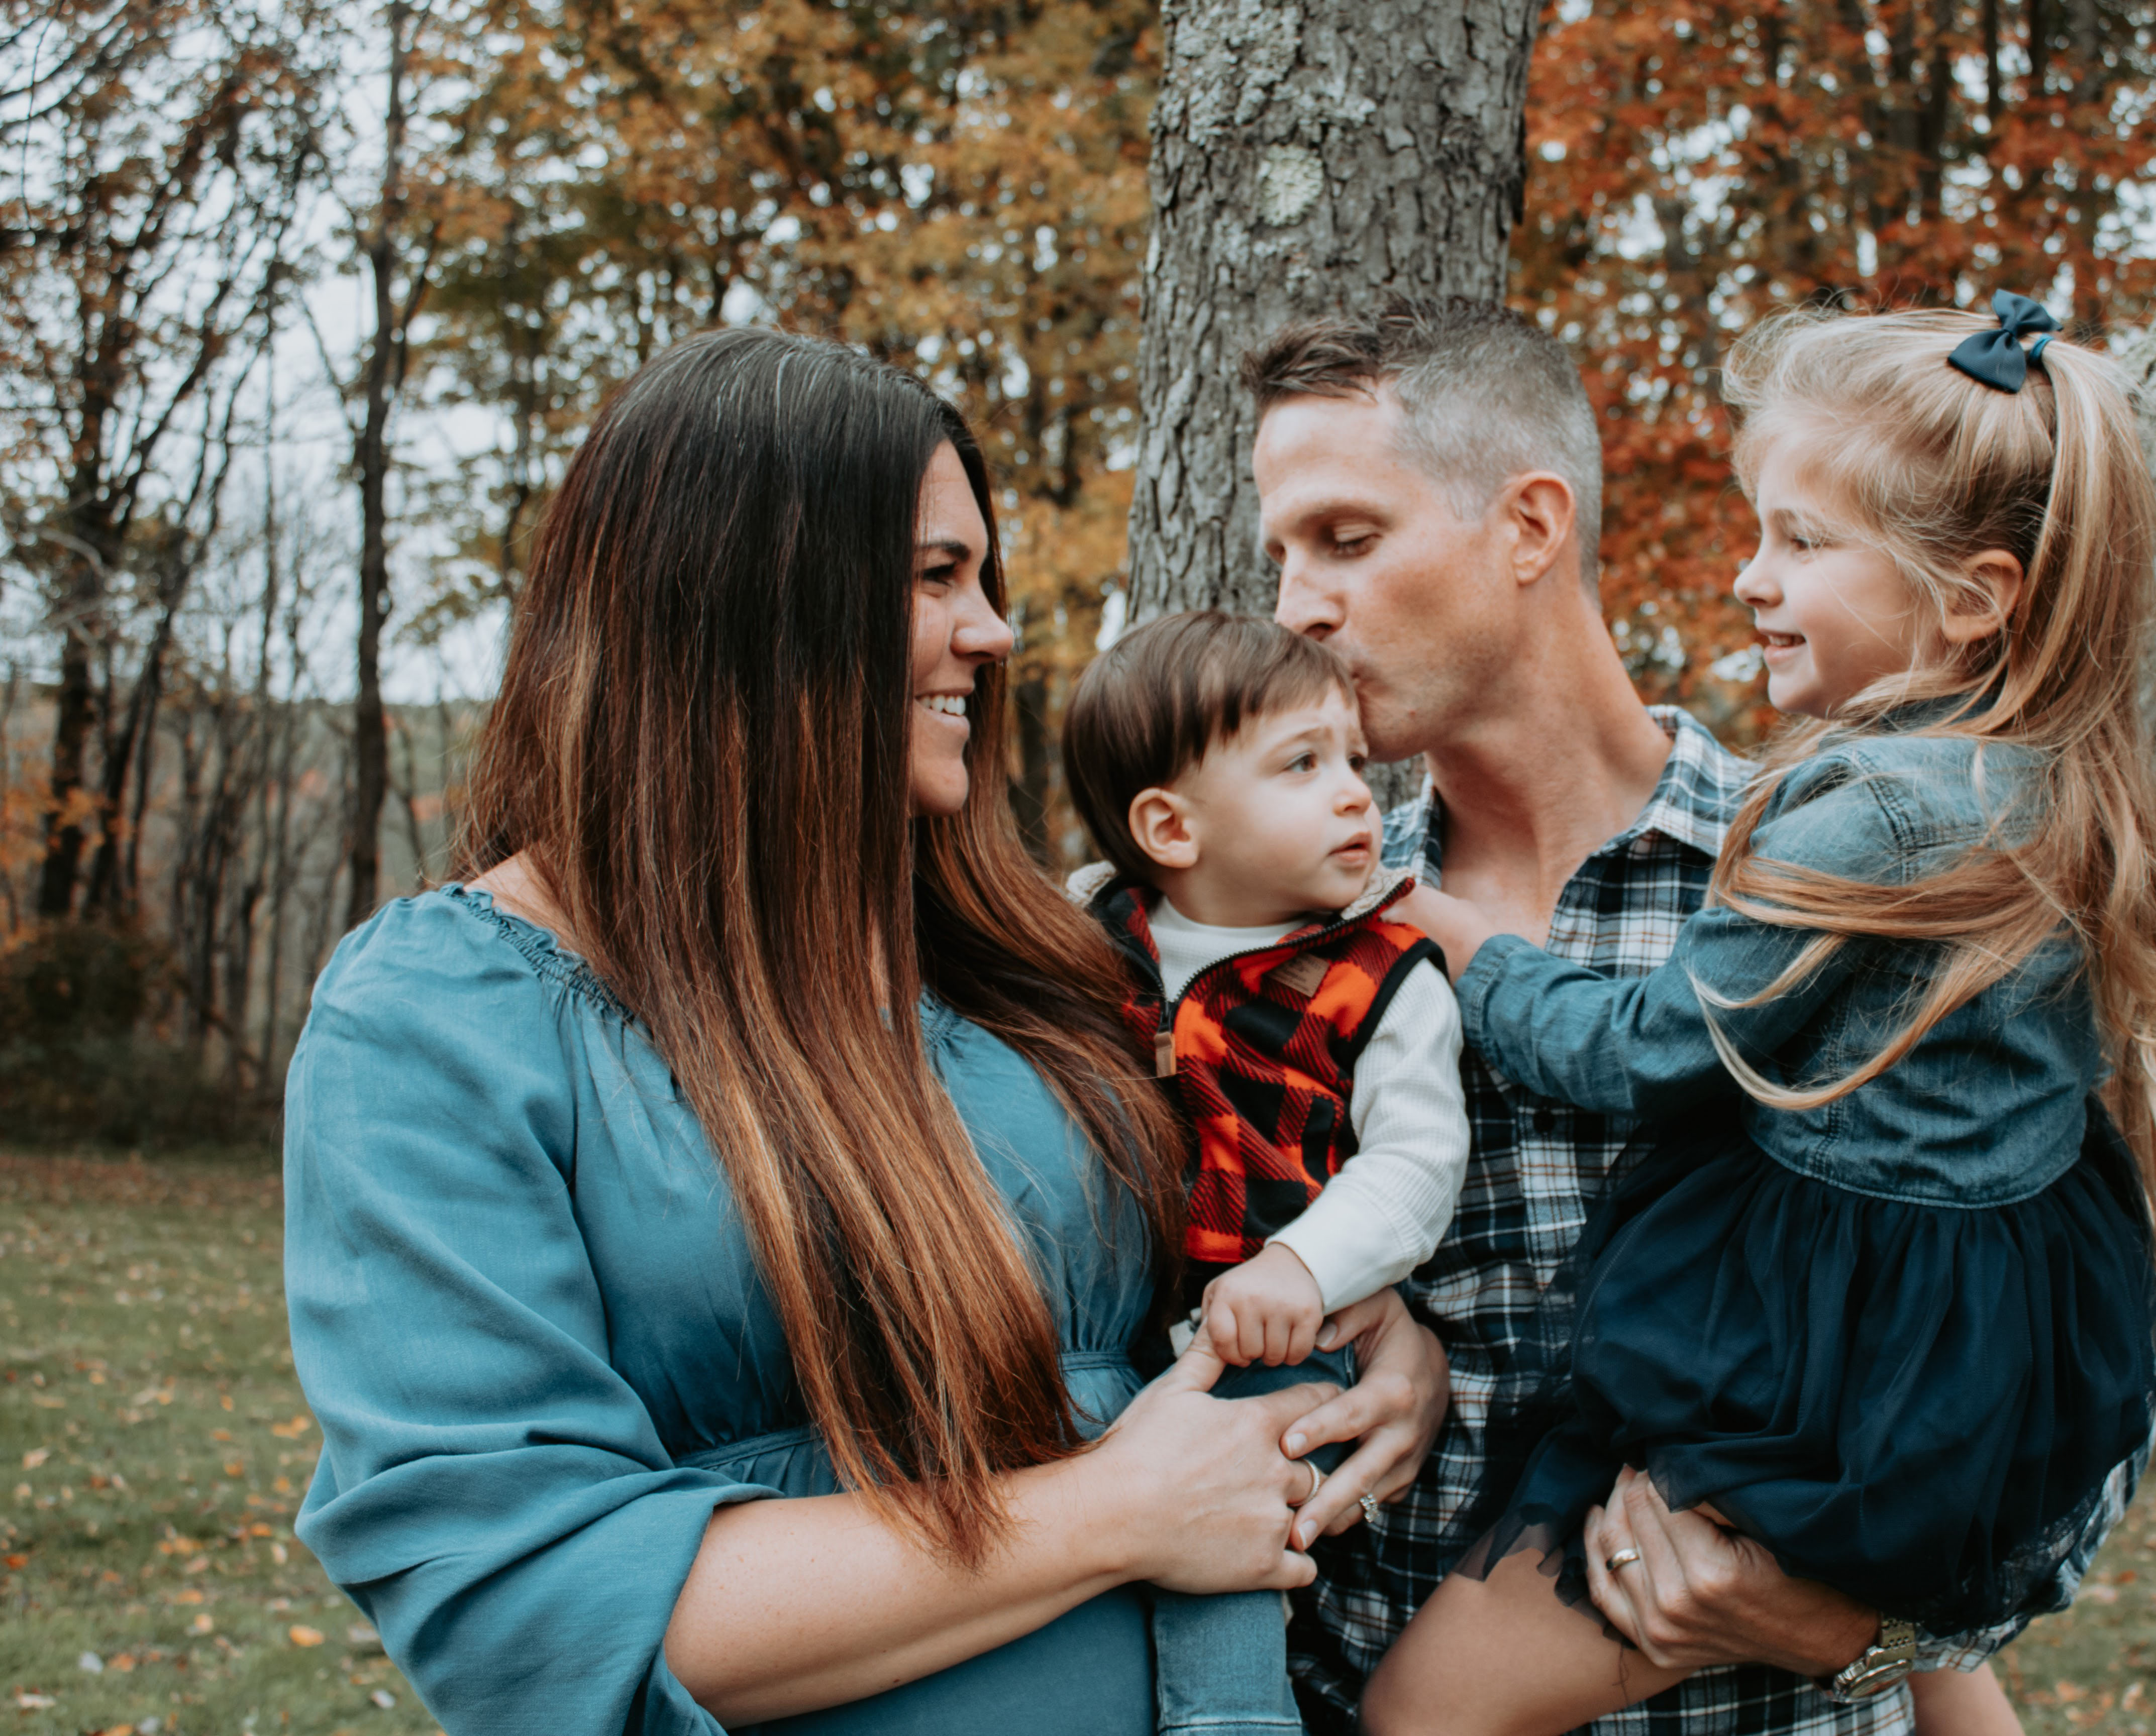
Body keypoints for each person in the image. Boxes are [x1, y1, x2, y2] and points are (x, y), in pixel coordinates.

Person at [281, 327, 1449, 1736]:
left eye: (984, 578)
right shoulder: (440, 1021)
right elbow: (524, 1610)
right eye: (933, 579)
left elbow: (1197, 1269)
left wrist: (1361, 1336)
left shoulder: (1029, 961)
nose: (994, 633)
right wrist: (1106, 1516)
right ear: (744, 604)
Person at [1360, 295, 2156, 1734]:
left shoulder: (1861, 812)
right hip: (1940, 1369)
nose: (1752, 578)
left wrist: (1464, 949)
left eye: (1803, 544)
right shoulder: (2041, 800)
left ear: (1974, 598)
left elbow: (1652, 1052)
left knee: (1427, 1709)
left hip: (1797, 1370)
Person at [1061, 608, 1473, 1730]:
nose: (1356, 793)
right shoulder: (1089, 942)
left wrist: (1301, 1268)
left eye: (1353, 759)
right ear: (1170, 829)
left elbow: (1417, 1163)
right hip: (1102, 1330)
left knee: (1225, 1552)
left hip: (1268, 1336)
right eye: (1304, 764)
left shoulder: (1381, 975)